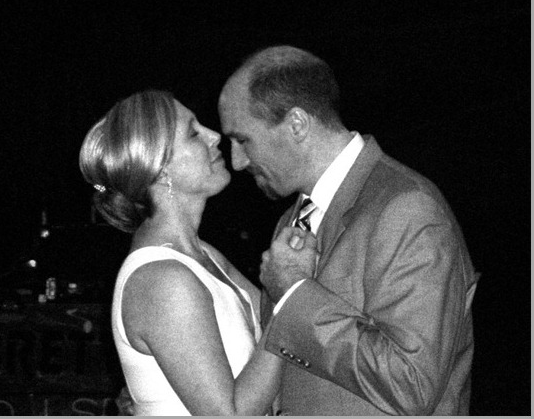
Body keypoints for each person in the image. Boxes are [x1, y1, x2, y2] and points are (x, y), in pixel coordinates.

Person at [217, 45, 480, 415]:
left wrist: (294, 293)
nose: (236, 160)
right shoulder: (292, 220)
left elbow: (411, 384)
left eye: (242, 139)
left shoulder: (407, 206)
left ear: (297, 124)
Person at [79, 90, 298, 415]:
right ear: (160, 168)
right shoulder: (163, 279)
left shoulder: (203, 255)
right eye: (194, 133)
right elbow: (228, 414)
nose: (214, 136)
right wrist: (291, 299)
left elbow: (272, 337)